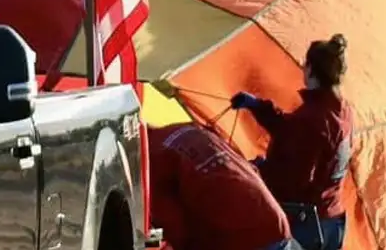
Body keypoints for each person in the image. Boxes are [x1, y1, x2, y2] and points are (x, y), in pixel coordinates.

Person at [230, 34, 356, 250]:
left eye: (306, 64)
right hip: (333, 221)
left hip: (306, 226)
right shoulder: (344, 111)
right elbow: (292, 130)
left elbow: (294, 178)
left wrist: (257, 171)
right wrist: (257, 106)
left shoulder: (313, 118)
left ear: (312, 71)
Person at [147, 122, 298, 250]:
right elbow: (244, 166)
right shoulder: (190, 128)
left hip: (241, 239)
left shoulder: (151, 161)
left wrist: (146, 242)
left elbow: (173, 228)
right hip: (275, 221)